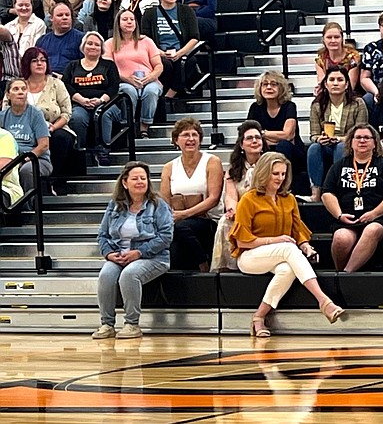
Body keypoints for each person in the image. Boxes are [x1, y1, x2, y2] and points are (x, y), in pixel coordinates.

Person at [230, 152, 345, 338]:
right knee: (288, 248)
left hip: (281, 253)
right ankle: (323, 301)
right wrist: (275, 240)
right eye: (275, 174)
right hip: (250, 255)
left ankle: (259, 317)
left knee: (287, 269)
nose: (280, 178)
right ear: (264, 173)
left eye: (283, 174)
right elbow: (242, 240)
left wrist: (306, 247)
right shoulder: (248, 200)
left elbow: (297, 230)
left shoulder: (289, 199)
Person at [92, 161, 172, 341]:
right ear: (125, 183)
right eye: (135, 178)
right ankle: (107, 324)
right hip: (119, 256)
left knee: (129, 275)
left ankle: (132, 324)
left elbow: (165, 237)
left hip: (154, 257)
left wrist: (139, 253)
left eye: (143, 178)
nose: (140, 182)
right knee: (106, 274)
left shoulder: (158, 205)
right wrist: (109, 254)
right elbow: (102, 235)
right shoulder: (114, 205)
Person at [322, 123, 383, 273]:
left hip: (378, 218)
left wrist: (374, 214)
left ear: (374, 143)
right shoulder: (339, 166)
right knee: (341, 238)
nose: (362, 141)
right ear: (351, 142)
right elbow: (327, 193)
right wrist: (339, 215)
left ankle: (346, 274)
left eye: (367, 137)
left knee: (371, 230)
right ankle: (339, 273)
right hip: (347, 217)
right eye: (358, 137)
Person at [160, 117, 224, 272]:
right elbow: (164, 202)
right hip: (180, 222)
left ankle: (203, 265)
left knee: (180, 229)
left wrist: (184, 214)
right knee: (174, 242)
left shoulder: (212, 161)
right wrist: (176, 216)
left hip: (208, 219)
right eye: (185, 135)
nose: (191, 139)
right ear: (176, 140)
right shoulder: (169, 167)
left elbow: (214, 199)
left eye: (194, 135)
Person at [211, 121, 267, 273]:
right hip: (242, 211)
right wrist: (232, 210)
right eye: (249, 138)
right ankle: (228, 269)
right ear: (242, 145)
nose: (254, 141)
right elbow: (231, 196)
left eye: (258, 138)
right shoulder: (233, 169)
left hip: (264, 209)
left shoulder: (270, 164)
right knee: (225, 221)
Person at [308, 66, 368, 202]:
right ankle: (316, 192)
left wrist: (339, 139)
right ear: (325, 84)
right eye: (332, 80)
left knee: (341, 147)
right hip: (325, 145)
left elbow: (361, 133)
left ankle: (339, 190)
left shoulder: (358, 103)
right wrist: (320, 139)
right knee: (314, 148)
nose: (335, 83)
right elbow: (313, 135)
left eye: (340, 80)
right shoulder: (317, 105)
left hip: (349, 144)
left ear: (346, 84)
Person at [62, 31, 119, 166]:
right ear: (83, 47)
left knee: (103, 114)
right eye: (90, 44)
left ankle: (103, 151)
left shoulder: (109, 65)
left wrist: (100, 100)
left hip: (105, 103)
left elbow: (114, 87)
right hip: (79, 103)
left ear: (102, 48)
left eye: (97, 45)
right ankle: (81, 151)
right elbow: (66, 85)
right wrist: (81, 100)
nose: (93, 47)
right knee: (77, 117)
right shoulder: (72, 65)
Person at [104, 9, 163, 138]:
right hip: (123, 81)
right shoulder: (109, 43)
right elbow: (109, 69)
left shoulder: (146, 41)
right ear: (118, 23)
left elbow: (159, 66)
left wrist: (149, 78)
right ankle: (128, 126)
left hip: (149, 79)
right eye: (125, 19)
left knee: (151, 91)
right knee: (128, 91)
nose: (129, 22)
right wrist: (128, 79)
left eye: (132, 19)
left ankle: (144, 128)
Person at [20, 47, 73, 189]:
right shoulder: (18, 85)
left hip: (54, 127)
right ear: (27, 64)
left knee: (60, 138)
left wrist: (53, 127)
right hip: (22, 130)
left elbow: (66, 113)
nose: (40, 64)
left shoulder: (56, 84)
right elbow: (7, 110)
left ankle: (53, 180)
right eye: (35, 60)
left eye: (43, 60)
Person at [140, 0, 200, 99]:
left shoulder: (186, 10)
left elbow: (194, 37)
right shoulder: (150, 13)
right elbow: (145, 38)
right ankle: (163, 92)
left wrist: (180, 53)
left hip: (180, 50)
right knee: (164, 65)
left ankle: (170, 94)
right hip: (159, 52)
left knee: (189, 61)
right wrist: (160, 53)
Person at [0, 79, 51, 193]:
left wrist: (23, 160)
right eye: (16, 89)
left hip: (36, 159)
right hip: (10, 159)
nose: (20, 92)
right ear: (8, 95)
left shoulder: (36, 114)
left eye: (23, 89)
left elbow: (44, 145)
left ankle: (28, 208)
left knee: (26, 170)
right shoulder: (2, 116)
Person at [247, 71, 306, 168]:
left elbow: (288, 135)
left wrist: (263, 134)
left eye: (273, 84)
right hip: (265, 148)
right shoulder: (255, 107)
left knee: (283, 145)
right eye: (265, 84)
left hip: (292, 152)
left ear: (281, 88)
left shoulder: (289, 106)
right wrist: (276, 137)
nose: (269, 87)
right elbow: (250, 134)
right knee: (253, 146)